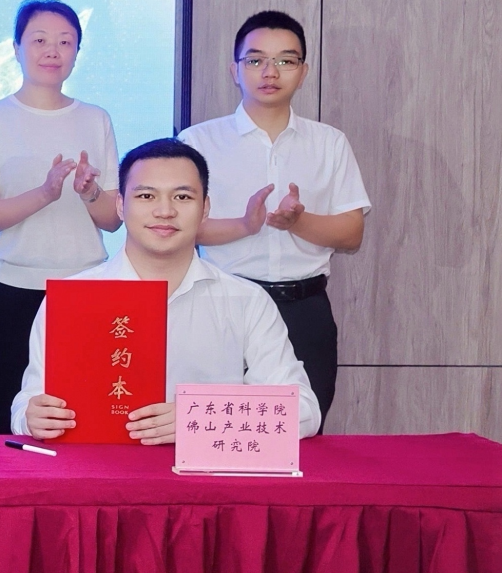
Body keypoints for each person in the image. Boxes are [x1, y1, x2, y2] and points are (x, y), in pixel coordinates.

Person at [17, 138, 321, 442]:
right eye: (146, 196)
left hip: (206, 470)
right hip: (96, 468)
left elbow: (304, 411)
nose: (165, 211)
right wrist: (29, 417)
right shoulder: (73, 298)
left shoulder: (246, 300)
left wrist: (200, 418)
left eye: (182, 197)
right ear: (121, 205)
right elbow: (28, 402)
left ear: (205, 208)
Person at [179, 10, 367, 420]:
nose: (270, 71)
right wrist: (245, 226)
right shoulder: (197, 142)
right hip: (224, 306)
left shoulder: (330, 143)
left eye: (285, 60)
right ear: (235, 70)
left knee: (304, 429)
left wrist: (298, 222)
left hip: (304, 309)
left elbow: (352, 233)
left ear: (303, 72)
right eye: (256, 60)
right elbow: (179, 229)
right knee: (213, 429)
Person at [0, 0, 122, 434]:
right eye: (39, 40)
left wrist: (89, 192)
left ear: (77, 51)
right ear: (16, 48)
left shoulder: (96, 118)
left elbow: (112, 219)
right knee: (9, 421)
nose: (52, 51)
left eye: (65, 42)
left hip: (84, 290)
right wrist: (46, 193)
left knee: (86, 422)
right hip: (11, 292)